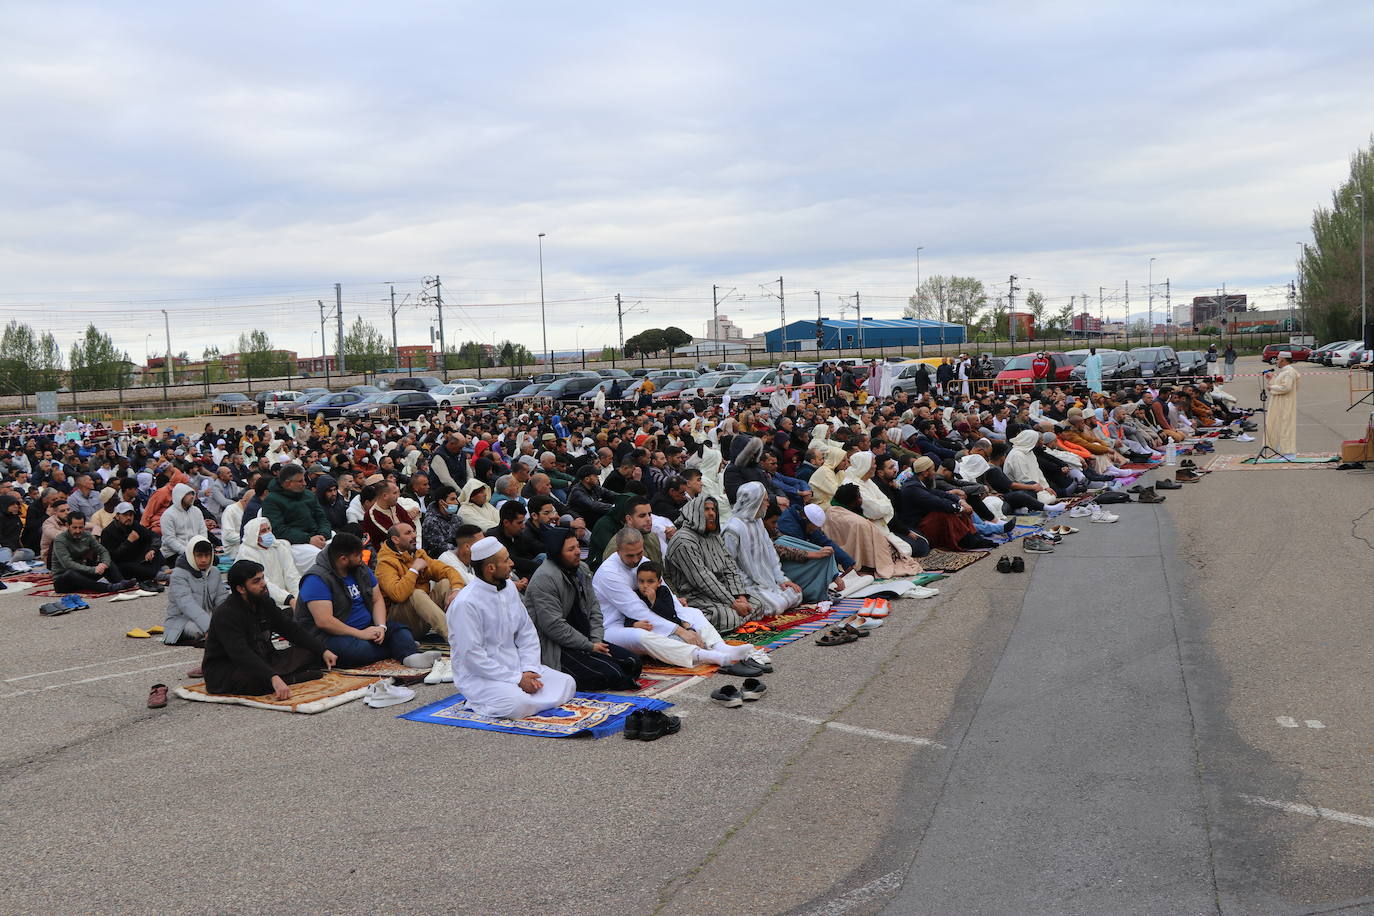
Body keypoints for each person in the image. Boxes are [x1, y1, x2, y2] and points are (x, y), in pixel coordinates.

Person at [447, 537, 577, 719]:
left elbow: (527, 632)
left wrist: (529, 670)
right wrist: (517, 679)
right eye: (506, 560)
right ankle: (478, 702)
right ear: (490, 568)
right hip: (480, 677)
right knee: (517, 704)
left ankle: (525, 699)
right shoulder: (466, 604)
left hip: (516, 666)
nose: (512, 563)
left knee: (567, 683)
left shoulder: (508, 588)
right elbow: (472, 656)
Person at [592, 528, 756, 669]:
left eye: (639, 553)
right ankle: (705, 656)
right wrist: (680, 630)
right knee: (641, 636)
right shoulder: (609, 573)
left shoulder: (644, 562)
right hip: (614, 628)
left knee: (693, 613)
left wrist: (685, 624)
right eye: (630, 556)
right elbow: (637, 610)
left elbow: (668, 597)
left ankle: (721, 647)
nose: (636, 560)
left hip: (650, 615)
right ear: (618, 551)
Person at [295, 533, 438, 669]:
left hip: (367, 628)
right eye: (358, 555)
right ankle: (400, 648)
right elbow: (324, 621)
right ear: (343, 559)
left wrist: (381, 627)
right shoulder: (317, 578)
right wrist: (361, 634)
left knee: (399, 629)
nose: (362, 558)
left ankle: (409, 656)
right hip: (332, 636)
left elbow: (377, 599)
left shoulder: (360, 568)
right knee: (357, 651)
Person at [525, 527, 642, 691]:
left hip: (586, 638)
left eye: (578, 546)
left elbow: (594, 608)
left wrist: (596, 641)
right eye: (571, 549)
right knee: (613, 674)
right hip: (557, 647)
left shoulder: (582, 569)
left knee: (634, 663)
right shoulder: (544, 579)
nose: (578, 552)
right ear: (557, 553)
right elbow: (553, 626)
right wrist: (590, 647)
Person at [202, 560, 337, 699]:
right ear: (241, 589)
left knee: (311, 653)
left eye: (262, 578)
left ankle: (279, 678)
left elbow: (291, 630)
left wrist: (322, 650)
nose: (263, 584)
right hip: (230, 668)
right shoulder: (226, 614)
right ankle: (283, 679)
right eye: (256, 581)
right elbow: (241, 653)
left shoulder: (265, 602)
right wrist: (272, 677)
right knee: (252, 681)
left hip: (264, 658)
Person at [663, 494, 755, 632]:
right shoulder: (683, 540)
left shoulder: (714, 535)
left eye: (713, 509)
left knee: (758, 603)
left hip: (721, 591)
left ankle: (739, 618)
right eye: (706, 509)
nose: (711, 513)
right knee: (729, 617)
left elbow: (729, 566)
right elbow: (702, 578)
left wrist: (740, 597)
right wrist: (733, 603)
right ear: (695, 512)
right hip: (695, 595)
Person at [721, 482, 802, 617]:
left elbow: (771, 553)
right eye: (765, 500)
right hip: (747, 586)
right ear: (755, 501)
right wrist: (741, 592)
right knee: (776, 605)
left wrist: (782, 580)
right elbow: (729, 565)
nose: (768, 504)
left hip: (767, 582)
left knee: (797, 593)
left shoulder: (758, 521)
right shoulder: (733, 528)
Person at [375, 521, 463, 640]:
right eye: (408, 533)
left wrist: (457, 589)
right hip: (400, 625)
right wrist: (414, 569)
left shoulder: (418, 554)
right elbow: (398, 595)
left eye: (414, 531)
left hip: (422, 618)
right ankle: (456, 638)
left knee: (446, 583)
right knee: (416, 593)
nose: (414, 535)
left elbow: (447, 570)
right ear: (396, 539)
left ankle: (463, 628)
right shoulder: (385, 562)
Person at [262, 464, 333, 573]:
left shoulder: (309, 495)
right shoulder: (271, 501)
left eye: (304, 479)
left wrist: (322, 534)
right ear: (288, 483)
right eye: (300, 481)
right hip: (294, 543)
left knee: (341, 547)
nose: (304, 483)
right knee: (319, 557)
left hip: (317, 536)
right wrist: (308, 539)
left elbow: (322, 518)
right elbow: (278, 529)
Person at [50, 513, 135, 593]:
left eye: (81, 527)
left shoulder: (87, 535)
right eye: (74, 528)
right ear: (67, 526)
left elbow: (103, 551)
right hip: (63, 580)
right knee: (70, 573)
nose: (78, 531)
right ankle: (107, 588)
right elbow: (68, 564)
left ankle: (121, 583)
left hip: (82, 574)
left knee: (108, 563)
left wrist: (104, 564)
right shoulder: (60, 540)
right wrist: (93, 570)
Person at [164, 536, 225, 646]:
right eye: (199, 555)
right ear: (191, 555)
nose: (204, 560)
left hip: (209, 618)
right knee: (210, 631)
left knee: (231, 625)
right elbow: (187, 604)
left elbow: (222, 601)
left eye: (207, 555)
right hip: (181, 622)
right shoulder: (178, 574)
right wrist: (208, 627)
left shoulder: (214, 572)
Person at [235, 516, 302, 609]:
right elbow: (262, 582)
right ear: (254, 535)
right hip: (262, 600)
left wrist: (299, 597)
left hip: (288, 599)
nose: (268, 533)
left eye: (268, 529)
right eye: (263, 531)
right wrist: (287, 598)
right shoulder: (246, 552)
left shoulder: (279, 546)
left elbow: (291, 574)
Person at [100, 501, 163, 586]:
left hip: (137, 559)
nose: (129, 518)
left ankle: (154, 573)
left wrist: (152, 550)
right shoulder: (108, 532)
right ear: (117, 516)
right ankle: (157, 574)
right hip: (122, 564)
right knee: (130, 567)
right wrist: (128, 542)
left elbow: (154, 536)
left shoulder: (134, 525)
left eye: (131, 515)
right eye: (125, 515)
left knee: (157, 553)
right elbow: (112, 557)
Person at [159, 482, 208, 563]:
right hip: (174, 553)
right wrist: (187, 552)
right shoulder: (168, 515)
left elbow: (203, 531)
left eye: (193, 494)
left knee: (214, 560)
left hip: (195, 551)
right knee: (187, 563)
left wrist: (201, 547)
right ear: (180, 496)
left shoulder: (196, 511)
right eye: (188, 494)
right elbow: (170, 540)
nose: (192, 496)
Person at [1264, 351, 1300, 459]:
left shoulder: (1289, 372)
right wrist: (1271, 379)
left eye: (1278, 359)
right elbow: (1280, 384)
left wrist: (1272, 387)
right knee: (1281, 427)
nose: (1277, 361)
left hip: (1286, 403)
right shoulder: (1284, 371)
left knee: (1286, 427)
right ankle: (1283, 451)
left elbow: (1286, 388)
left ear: (1283, 360)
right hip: (1281, 403)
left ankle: (1289, 453)